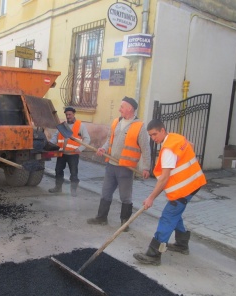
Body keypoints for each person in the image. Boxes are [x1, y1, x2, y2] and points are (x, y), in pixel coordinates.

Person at [133, 119, 207, 265]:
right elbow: (190, 145)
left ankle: (154, 254)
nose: (154, 138)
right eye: (151, 136)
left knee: (168, 216)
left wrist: (151, 198)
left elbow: (164, 178)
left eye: (155, 134)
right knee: (175, 212)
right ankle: (182, 244)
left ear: (162, 130)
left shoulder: (167, 150)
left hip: (184, 188)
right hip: (194, 182)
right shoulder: (176, 137)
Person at [87, 96, 151, 231]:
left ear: (130, 109)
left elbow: (146, 148)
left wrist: (146, 167)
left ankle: (124, 223)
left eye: (122, 107)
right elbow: (109, 140)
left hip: (126, 168)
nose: (119, 109)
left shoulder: (140, 126)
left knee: (125, 196)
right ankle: (101, 217)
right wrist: (103, 148)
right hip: (111, 164)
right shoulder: (116, 122)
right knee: (106, 192)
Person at [48, 106, 90, 197]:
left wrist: (80, 149)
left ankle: (73, 190)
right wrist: (49, 144)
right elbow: (55, 137)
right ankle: (58, 188)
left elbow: (87, 139)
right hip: (62, 153)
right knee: (58, 170)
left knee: (74, 173)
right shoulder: (62, 126)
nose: (68, 116)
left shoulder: (80, 125)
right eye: (66, 114)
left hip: (73, 154)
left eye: (70, 114)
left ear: (74, 114)